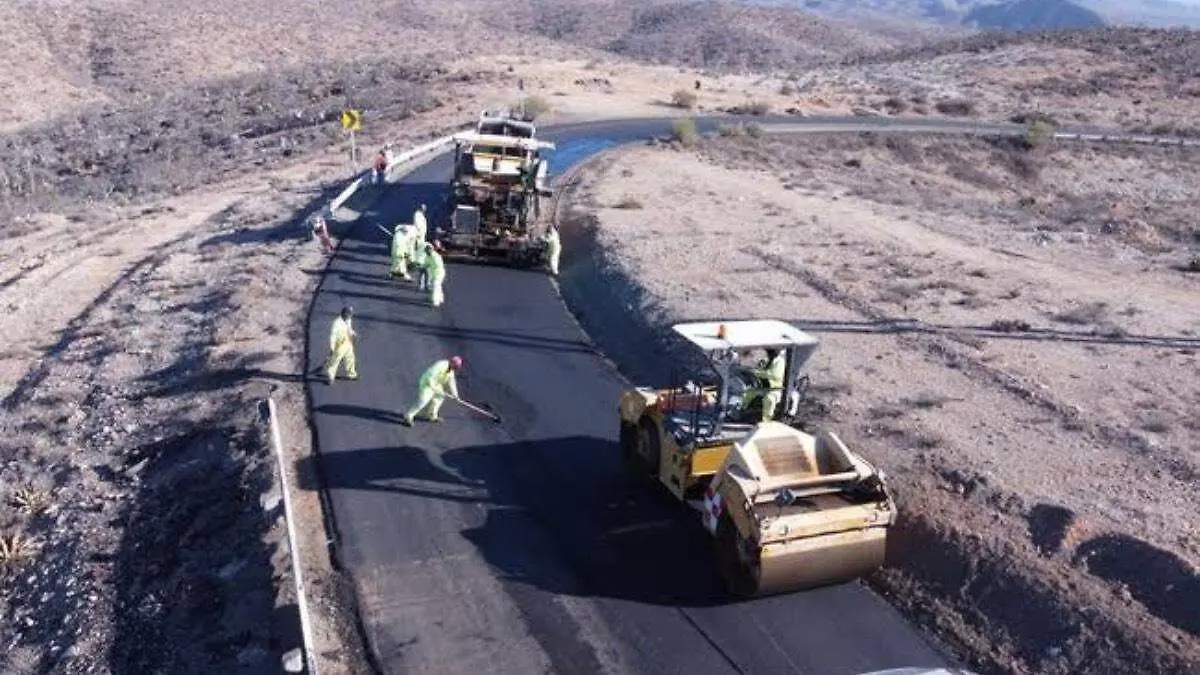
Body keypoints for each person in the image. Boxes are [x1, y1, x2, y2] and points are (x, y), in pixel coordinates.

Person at [401, 356, 463, 425]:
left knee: (439, 398)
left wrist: (455, 395)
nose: (456, 368)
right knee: (423, 401)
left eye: (457, 367)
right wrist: (433, 388)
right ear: (452, 362)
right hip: (427, 384)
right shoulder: (441, 365)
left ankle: (432, 415)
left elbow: (452, 383)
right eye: (456, 366)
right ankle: (408, 416)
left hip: (436, 385)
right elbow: (430, 376)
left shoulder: (451, 371)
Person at [743, 348, 785, 422]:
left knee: (769, 399)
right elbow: (760, 370)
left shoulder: (779, 362)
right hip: (764, 388)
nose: (768, 353)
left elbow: (774, 375)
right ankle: (740, 412)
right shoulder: (767, 361)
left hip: (776, 389)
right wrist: (755, 368)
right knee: (747, 393)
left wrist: (756, 372)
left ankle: (766, 420)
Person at [324, 306, 357, 384]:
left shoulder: (348, 320)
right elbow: (333, 336)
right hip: (340, 345)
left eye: (350, 315)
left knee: (350, 359)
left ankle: (352, 374)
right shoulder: (336, 323)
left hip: (348, 343)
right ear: (344, 314)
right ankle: (330, 377)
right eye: (349, 314)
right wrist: (332, 348)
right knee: (334, 361)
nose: (350, 316)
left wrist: (353, 334)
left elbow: (349, 329)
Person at [424, 240, 446, 308]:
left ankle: (435, 302)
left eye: (428, 250)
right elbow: (426, 264)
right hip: (435, 274)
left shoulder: (435, 256)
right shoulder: (428, 256)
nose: (427, 251)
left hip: (439, 273)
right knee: (438, 286)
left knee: (435, 286)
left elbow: (437, 266)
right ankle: (441, 298)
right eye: (426, 250)